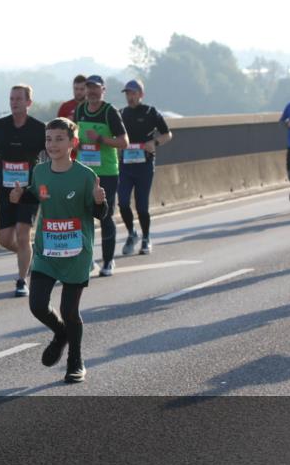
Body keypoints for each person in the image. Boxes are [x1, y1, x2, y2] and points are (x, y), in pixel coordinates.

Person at [10, 118, 106, 382]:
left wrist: (100, 202)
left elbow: (99, 213)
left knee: (69, 311)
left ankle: (75, 361)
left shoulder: (86, 176)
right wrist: (20, 197)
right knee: (38, 305)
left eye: (59, 139)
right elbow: (37, 195)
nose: (52, 144)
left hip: (76, 252)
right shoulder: (40, 171)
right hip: (46, 251)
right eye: (49, 139)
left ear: (73, 143)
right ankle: (61, 333)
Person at [0, 84, 46, 296]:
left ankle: (22, 281)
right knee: (5, 240)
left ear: (29, 102)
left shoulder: (39, 129)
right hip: (6, 191)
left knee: (22, 234)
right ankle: (28, 255)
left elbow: (54, 152)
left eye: (19, 99)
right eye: (12, 99)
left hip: (29, 191)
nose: (14, 102)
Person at [74, 75, 128, 276]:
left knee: (105, 216)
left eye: (96, 88)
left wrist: (101, 139)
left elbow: (124, 142)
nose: (92, 92)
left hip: (106, 172)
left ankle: (108, 260)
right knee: (82, 216)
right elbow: (73, 136)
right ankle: (86, 260)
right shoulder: (80, 110)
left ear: (103, 90)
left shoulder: (109, 112)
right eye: (89, 88)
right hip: (84, 171)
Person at [117, 79, 172, 256]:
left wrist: (154, 142)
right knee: (123, 202)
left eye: (133, 93)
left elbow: (167, 134)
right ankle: (132, 234)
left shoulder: (150, 112)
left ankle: (146, 237)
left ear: (141, 94)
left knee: (142, 206)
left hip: (144, 165)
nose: (130, 97)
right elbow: (114, 134)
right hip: (125, 164)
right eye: (127, 94)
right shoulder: (121, 113)